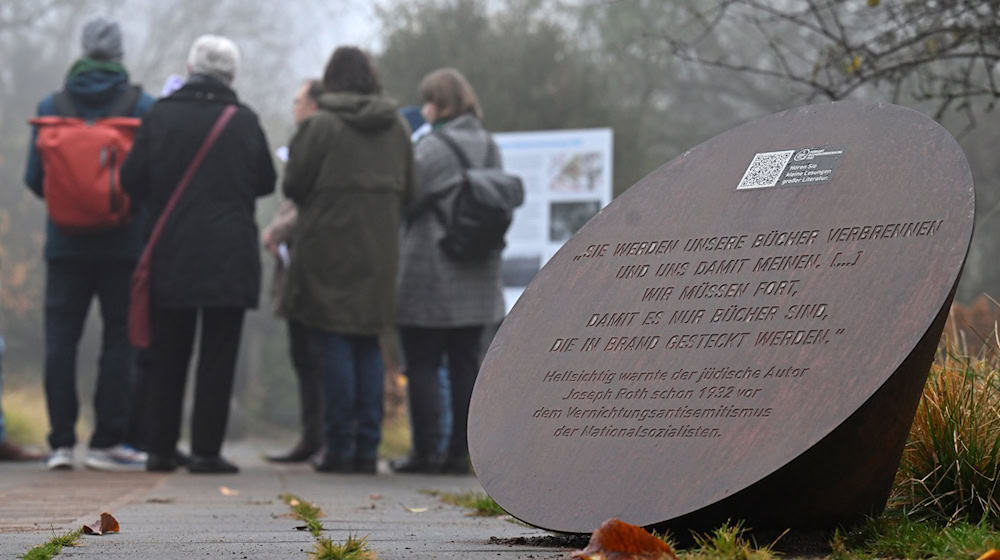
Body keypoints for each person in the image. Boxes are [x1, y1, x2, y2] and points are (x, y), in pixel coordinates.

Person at [121, 34, 276, 474]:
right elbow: (266, 180)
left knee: (169, 352)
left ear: (189, 69)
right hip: (230, 254)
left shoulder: (161, 115)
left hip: (172, 250)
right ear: (232, 76)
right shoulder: (244, 121)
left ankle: (161, 449)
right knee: (219, 354)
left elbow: (131, 179)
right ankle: (207, 451)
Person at [24, 17, 154, 471]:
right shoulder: (141, 105)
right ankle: (107, 442)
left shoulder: (52, 104)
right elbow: (149, 178)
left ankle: (60, 443)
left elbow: (34, 179)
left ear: (82, 50)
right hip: (123, 244)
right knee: (119, 340)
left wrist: (71, 204)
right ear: (119, 54)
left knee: (61, 339)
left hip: (64, 246)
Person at [282, 46, 413, 474]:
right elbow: (413, 192)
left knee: (334, 341)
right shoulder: (396, 126)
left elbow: (294, 184)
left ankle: (338, 447)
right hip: (379, 250)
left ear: (331, 79)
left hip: (327, 249)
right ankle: (366, 447)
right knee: (368, 343)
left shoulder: (319, 125)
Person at [393, 68, 505, 474]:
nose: (423, 109)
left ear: (438, 105)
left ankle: (424, 452)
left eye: (427, 101)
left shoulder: (434, 147)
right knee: (464, 365)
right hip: (477, 271)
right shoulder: (489, 143)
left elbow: (407, 197)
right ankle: (460, 453)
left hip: (433, 271)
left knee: (422, 362)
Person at [262, 79, 325, 463]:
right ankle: (311, 436)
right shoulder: (308, 138)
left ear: (315, 103)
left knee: (316, 358)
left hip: (313, 270)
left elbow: (307, 203)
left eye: (298, 99)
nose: (293, 105)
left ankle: (321, 438)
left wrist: (276, 230)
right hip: (296, 267)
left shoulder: (321, 141)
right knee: (303, 357)